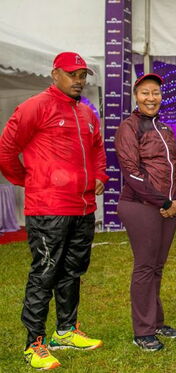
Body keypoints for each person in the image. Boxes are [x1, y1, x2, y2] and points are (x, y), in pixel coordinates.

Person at [0, 52, 106, 370]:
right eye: (73, 74)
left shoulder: (87, 113)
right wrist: (28, 180)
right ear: (55, 74)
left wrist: (99, 176)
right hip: (48, 209)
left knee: (72, 271)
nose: (79, 80)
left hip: (83, 206)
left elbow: (97, 148)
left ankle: (66, 331)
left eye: (82, 75)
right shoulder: (35, 106)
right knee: (45, 273)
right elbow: (6, 149)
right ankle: (34, 344)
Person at [115, 73, 176, 351]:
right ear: (136, 95)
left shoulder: (164, 128)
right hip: (140, 206)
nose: (151, 98)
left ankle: (155, 321)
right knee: (145, 267)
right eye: (145, 93)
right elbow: (132, 172)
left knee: (157, 267)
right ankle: (142, 331)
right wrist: (164, 202)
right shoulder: (129, 127)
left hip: (167, 208)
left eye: (155, 92)